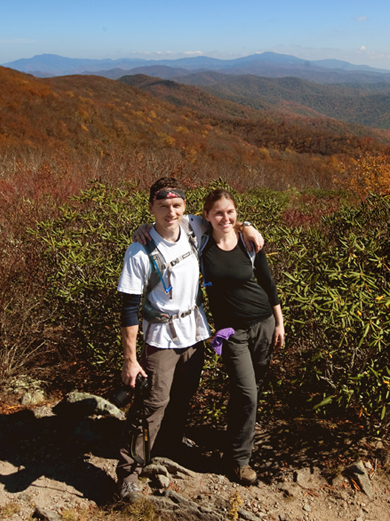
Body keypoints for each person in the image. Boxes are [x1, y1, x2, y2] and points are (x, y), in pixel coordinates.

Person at [115, 178, 263, 503]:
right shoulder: (139, 250)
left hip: (194, 333)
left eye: (176, 205)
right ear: (151, 207)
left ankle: (165, 452)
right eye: (163, 206)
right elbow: (128, 308)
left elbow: (224, 217)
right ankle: (128, 472)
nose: (171, 211)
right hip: (160, 336)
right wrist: (130, 359)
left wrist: (248, 225)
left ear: (185, 207)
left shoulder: (194, 227)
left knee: (182, 398)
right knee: (153, 402)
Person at [200, 188, 284, 486]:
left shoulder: (249, 243)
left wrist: (279, 322)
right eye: (218, 212)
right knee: (247, 392)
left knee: (250, 392)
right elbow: (167, 224)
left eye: (230, 212)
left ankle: (233, 446)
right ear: (206, 216)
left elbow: (267, 281)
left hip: (263, 323)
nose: (225, 217)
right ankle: (239, 461)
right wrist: (142, 229)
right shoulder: (200, 244)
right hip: (231, 332)